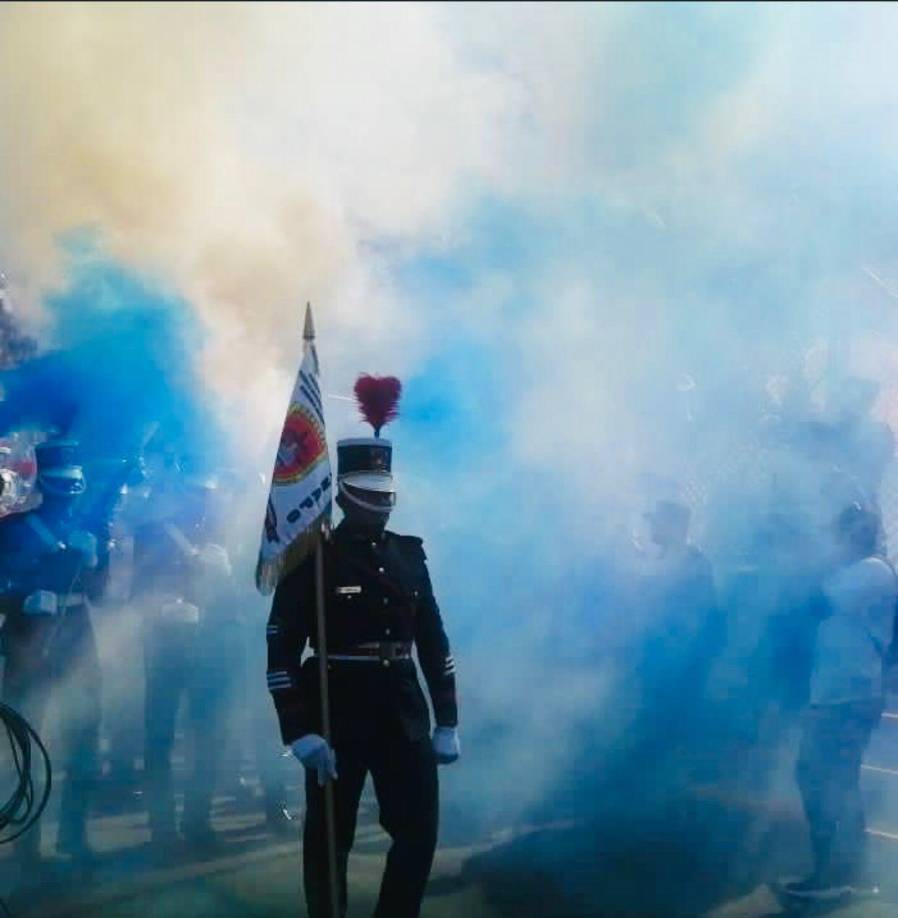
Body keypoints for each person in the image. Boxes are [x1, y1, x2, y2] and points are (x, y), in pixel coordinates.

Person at [267, 432, 460, 918]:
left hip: (403, 709)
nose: (381, 505)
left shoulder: (409, 554)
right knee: (330, 839)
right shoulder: (312, 557)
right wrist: (299, 731)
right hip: (337, 709)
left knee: (419, 832)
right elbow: (281, 648)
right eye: (369, 495)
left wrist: (448, 718)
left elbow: (433, 640)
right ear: (345, 496)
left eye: (385, 494)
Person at [0, 438, 109, 864]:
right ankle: (26, 843)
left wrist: (96, 558)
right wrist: (21, 599)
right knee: (26, 741)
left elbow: (100, 595)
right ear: (43, 482)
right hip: (29, 639)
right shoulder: (11, 530)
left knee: (84, 739)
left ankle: (73, 835)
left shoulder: (91, 530)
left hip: (78, 639)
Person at [783, 503, 896, 902]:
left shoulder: (871, 570)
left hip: (847, 695)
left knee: (826, 780)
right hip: (835, 691)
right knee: (827, 780)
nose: (832, 540)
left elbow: (813, 602)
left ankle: (837, 875)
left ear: (855, 534)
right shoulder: (854, 571)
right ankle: (843, 873)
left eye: (838, 533)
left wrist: (808, 560)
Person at [131, 454, 232, 855]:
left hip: (208, 645)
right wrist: (163, 608)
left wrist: (224, 577)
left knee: (208, 738)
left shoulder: (226, 532)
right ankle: (162, 830)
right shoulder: (154, 532)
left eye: (206, 494)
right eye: (195, 493)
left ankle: (198, 822)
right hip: (164, 644)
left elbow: (243, 595)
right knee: (159, 738)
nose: (202, 501)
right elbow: (132, 594)